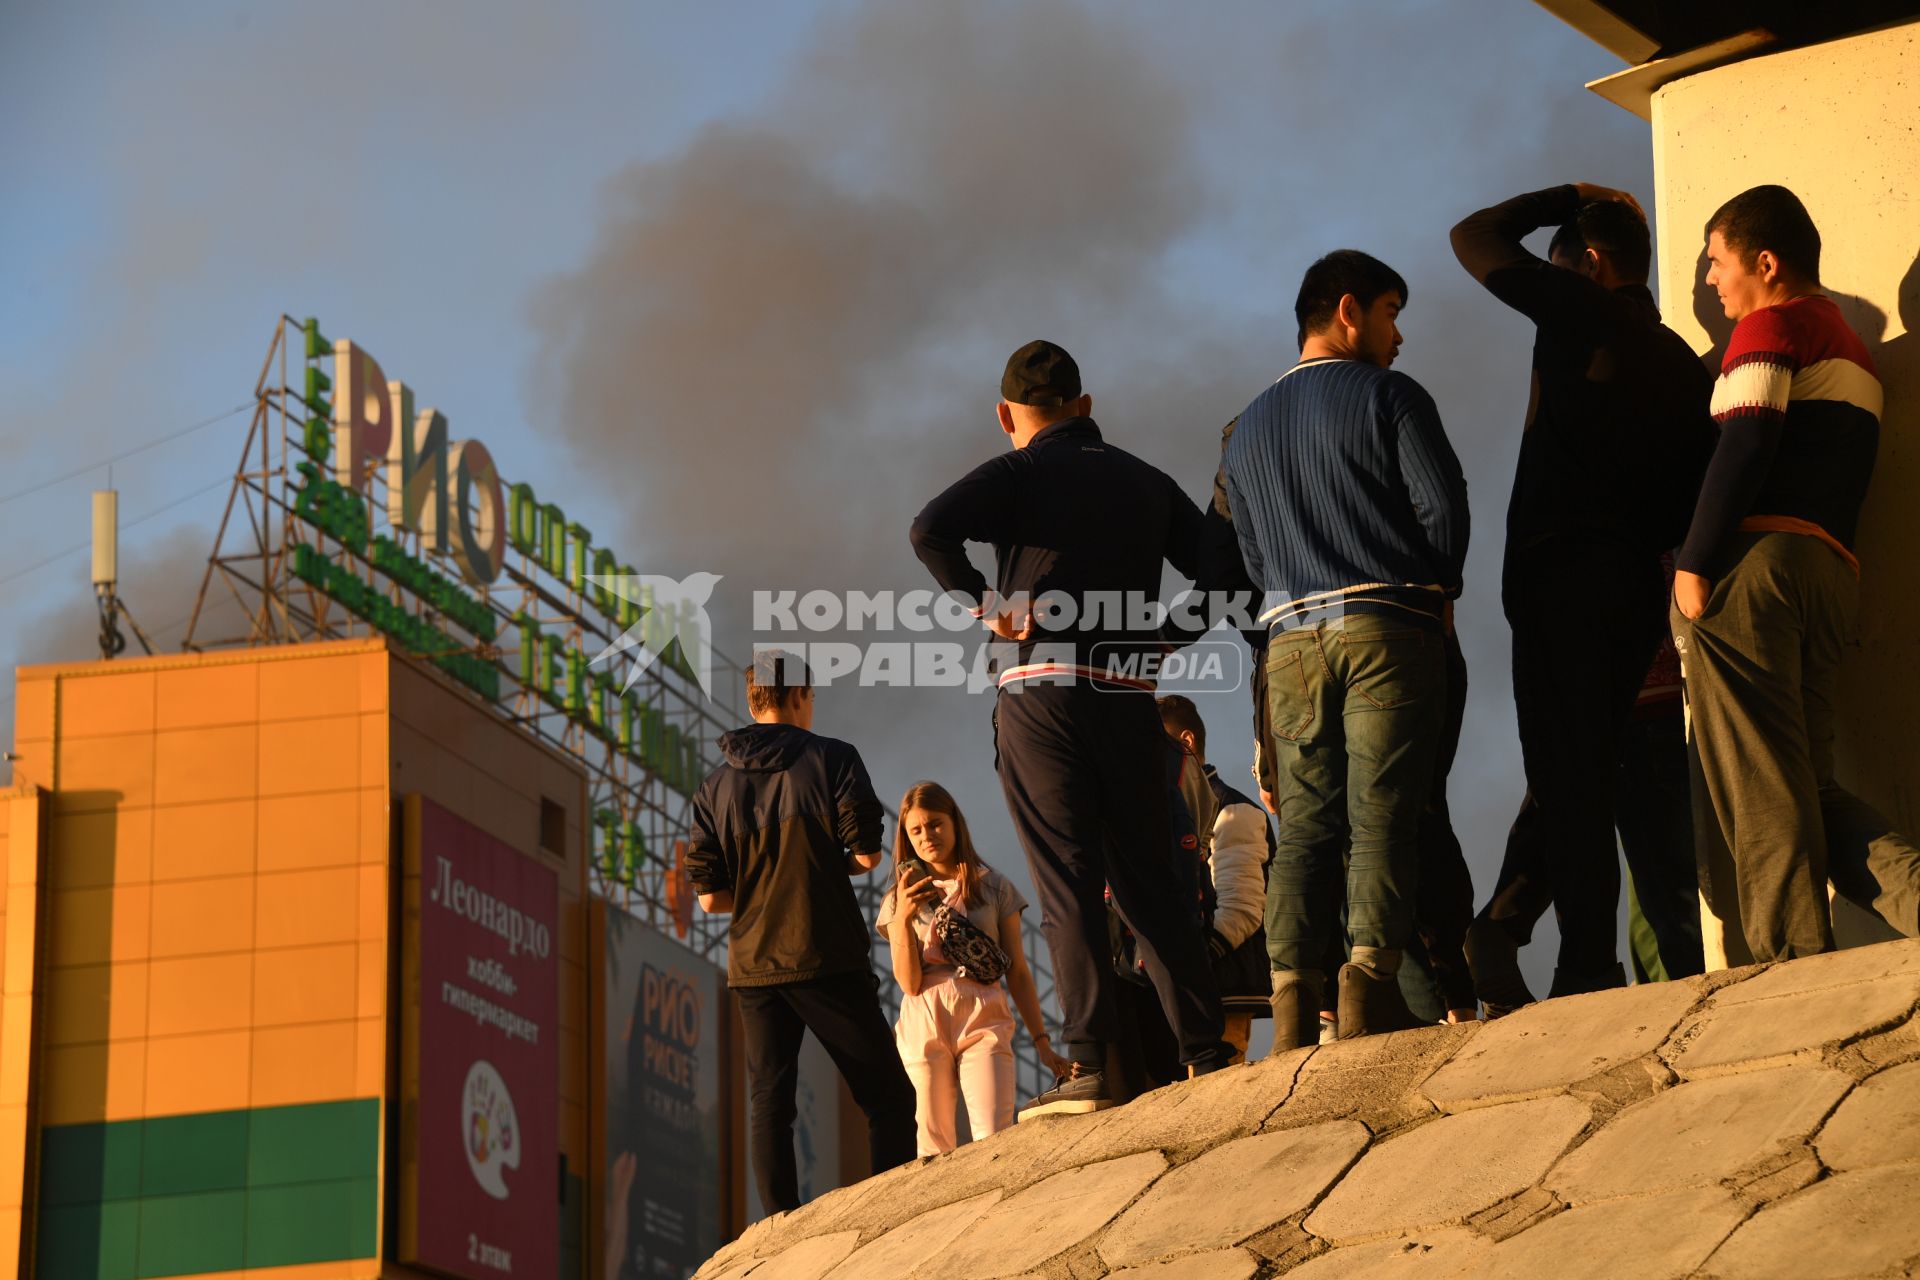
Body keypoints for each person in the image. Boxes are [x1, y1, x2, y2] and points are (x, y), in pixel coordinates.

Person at [910, 339, 1232, 1118]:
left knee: (1068, 882)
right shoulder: (1142, 479)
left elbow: (929, 530)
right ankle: (1205, 1049)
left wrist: (989, 604)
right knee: (1153, 880)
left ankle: (1087, 1066)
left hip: (1041, 693)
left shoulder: (1018, 473)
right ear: (1085, 407)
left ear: (1005, 416)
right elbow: (1228, 572)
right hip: (1126, 696)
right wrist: (1166, 637)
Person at [1449, 184, 1715, 1010]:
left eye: (1562, 263)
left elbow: (1475, 234)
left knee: (1567, 777)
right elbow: (1687, 501)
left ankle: (1582, 968)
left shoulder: (1581, 315)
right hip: (1634, 593)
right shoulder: (1678, 362)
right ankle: (1561, 955)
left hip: (1557, 575)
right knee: (1592, 769)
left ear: (1590, 265)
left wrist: (1572, 195)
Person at [1222, 250, 1470, 1050]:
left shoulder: (1247, 428)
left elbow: (1250, 559)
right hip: (1387, 626)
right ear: (1349, 310)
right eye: (1393, 314)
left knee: (1305, 828)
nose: (1400, 337)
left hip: (1289, 642)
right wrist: (1437, 590)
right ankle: (1366, 984)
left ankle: (1293, 998)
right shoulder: (1390, 394)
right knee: (1383, 815)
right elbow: (1444, 509)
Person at [1672, 184, 1920, 960]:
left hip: (1755, 575)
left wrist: (1693, 563)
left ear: (1766, 263)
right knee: (1808, 786)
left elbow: (1745, 444)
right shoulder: (1847, 343)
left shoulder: (1770, 328)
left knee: (1759, 784)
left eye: (1718, 262)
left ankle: (1790, 969)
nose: (1712, 281)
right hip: (1827, 573)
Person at [685, 650, 916, 1213]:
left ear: (751, 700)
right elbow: (864, 853)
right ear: (798, 697)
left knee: (771, 1102)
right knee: (887, 1096)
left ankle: (778, 1225)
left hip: (753, 965)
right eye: (810, 696)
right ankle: (896, 1213)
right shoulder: (832, 758)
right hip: (824, 951)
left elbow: (711, 897)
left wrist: (763, 883)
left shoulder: (712, 789)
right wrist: (813, 866)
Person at [877, 781, 1068, 1155]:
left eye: (935, 824)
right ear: (906, 837)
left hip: (983, 1012)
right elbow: (909, 983)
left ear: (954, 824)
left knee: (993, 1139)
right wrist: (902, 919)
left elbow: (1018, 972)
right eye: (915, 830)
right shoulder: (896, 899)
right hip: (924, 1015)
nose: (927, 836)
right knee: (931, 1147)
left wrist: (1042, 1043)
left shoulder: (994, 887)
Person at [1157, 695, 1272, 1062]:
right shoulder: (1167, 811)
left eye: (1155, 743)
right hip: (1190, 987)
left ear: (1187, 742)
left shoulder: (1231, 808)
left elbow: (1242, 908)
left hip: (1225, 986)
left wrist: (1196, 962)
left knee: (1219, 1093)